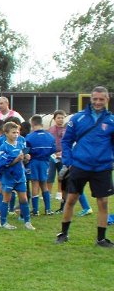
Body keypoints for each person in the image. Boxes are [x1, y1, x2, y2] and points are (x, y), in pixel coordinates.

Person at [55, 86, 114, 248]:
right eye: (95, 99)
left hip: (102, 168)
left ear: (107, 99)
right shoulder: (78, 118)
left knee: (103, 202)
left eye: (101, 99)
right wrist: (68, 161)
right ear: (91, 99)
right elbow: (66, 141)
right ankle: (63, 234)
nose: (98, 102)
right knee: (71, 199)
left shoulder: (111, 121)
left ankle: (101, 239)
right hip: (80, 166)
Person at [0, 121, 33, 230]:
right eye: (13, 132)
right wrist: (16, 159)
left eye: (17, 132)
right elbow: (2, 164)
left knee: (24, 199)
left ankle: (27, 222)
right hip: (8, 177)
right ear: (6, 133)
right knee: (6, 199)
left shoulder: (21, 144)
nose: (16, 134)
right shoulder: (3, 147)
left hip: (20, 176)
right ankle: (3, 222)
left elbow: (23, 161)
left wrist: (26, 158)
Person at [25, 115, 55, 216]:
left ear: (32, 124)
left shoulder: (29, 137)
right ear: (41, 123)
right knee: (44, 184)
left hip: (33, 162)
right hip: (45, 162)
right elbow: (53, 149)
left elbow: (27, 151)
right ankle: (48, 209)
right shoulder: (50, 136)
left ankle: (35, 210)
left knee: (35, 184)